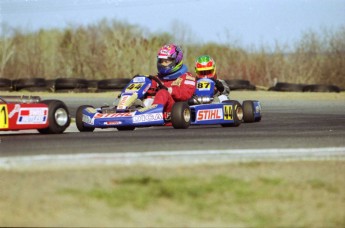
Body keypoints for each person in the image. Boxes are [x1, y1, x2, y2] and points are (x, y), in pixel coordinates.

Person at [146, 44, 196, 115]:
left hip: (175, 112)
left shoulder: (187, 77)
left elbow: (186, 94)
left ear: (176, 61)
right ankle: (131, 111)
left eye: (166, 62)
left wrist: (170, 90)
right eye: (161, 61)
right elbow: (150, 93)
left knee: (163, 92)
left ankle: (152, 114)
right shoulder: (156, 78)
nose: (163, 64)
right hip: (153, 105)